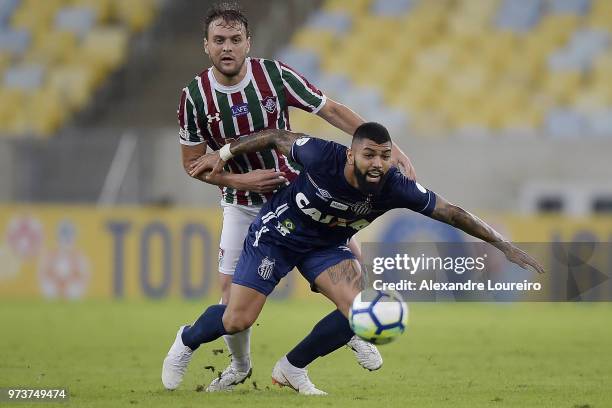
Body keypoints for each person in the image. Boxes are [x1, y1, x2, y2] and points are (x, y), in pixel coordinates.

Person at [163, 122, 545, 395]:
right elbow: (275, 137)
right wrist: (225, 153)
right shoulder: (322, 155)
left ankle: (292, 368)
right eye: (369, 155)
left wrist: (503, 245)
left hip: (326, 245)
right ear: (352, 154)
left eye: (384, 155)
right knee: (237, 318)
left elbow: (453, 211)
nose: (378, 163)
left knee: (358, 312)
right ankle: (187, 339)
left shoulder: (396, 186)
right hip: (279, 236)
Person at [171, 2, 416, 391]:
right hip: (241, 206)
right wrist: (245, 182)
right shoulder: (195, 97)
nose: (228, 47)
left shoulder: (273, 75)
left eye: (235, 39)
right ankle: (237, 365)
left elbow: (331, 110)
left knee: (353, 265)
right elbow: (193, 165)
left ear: (248, 41)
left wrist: (392, 146)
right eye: (219, 40)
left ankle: (347, 332)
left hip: (295, 197)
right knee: (231, 302)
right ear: (206, 45)